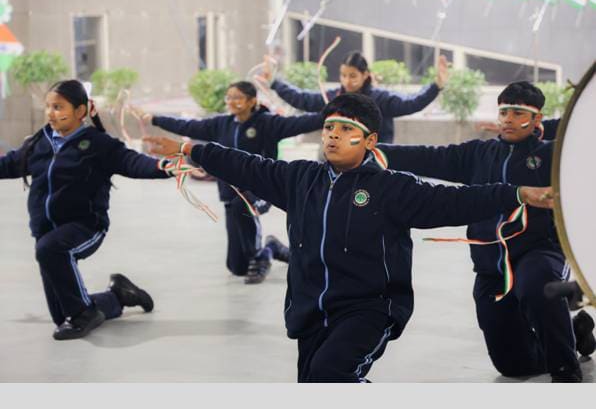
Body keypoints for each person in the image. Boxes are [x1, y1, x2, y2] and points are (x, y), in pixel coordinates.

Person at [144, 92, 554, 382]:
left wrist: (517, 193)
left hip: (370, 308)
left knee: (330, 376)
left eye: (346, 129)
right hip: (310, 310)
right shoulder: (299, 178)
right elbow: (245, 165)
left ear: (370, 141)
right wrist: (190, 149)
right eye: (328, 128)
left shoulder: (391, 188)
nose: (333, 136)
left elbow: (456, 200)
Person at [376, 81, 593, 382]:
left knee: (537, 287)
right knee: (513, 366)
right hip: (490, 265)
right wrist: (375, 150)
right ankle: (577, 333)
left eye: (518, 113)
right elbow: (429, 156)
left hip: (539, 251)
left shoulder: (554, 155)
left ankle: (566, 374)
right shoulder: (478, 154)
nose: (508, 119)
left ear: (537, 119)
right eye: (504, 112)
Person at [0, 80, 174, 340]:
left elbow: (131, 162)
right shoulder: (39, 143)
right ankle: (119, 295)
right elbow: (8, 165)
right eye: (48, 107)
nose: (51, 113)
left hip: (85, 226)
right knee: (62, 315)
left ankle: (84, 314)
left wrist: (165, 167)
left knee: (51, 252)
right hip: (45, 231)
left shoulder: (97, 144)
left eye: (58, 107)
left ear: (80, 111)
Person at [139, 81, 321, 284]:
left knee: (242, 206)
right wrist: (154, 119)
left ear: (252, 101)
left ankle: (260, 256)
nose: (232, 102)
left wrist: (333, 114)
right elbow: (188, 126)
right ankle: (271, 248)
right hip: (229, 193)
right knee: (237, 267)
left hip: (261, 190)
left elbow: (302, 123)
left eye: (238, 98)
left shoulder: (268, 123)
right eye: (229, 97)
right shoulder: (221, 124)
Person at [257, 51, 448, 144]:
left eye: (353, 76)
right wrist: (274, 82)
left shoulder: (380, 98)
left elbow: (411, 103)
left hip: (373, 161)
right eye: (343, 75)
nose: (347, 81)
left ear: (365, 75)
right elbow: (302, 99)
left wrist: (436, 86)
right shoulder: (335, 97)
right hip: (340, 161)